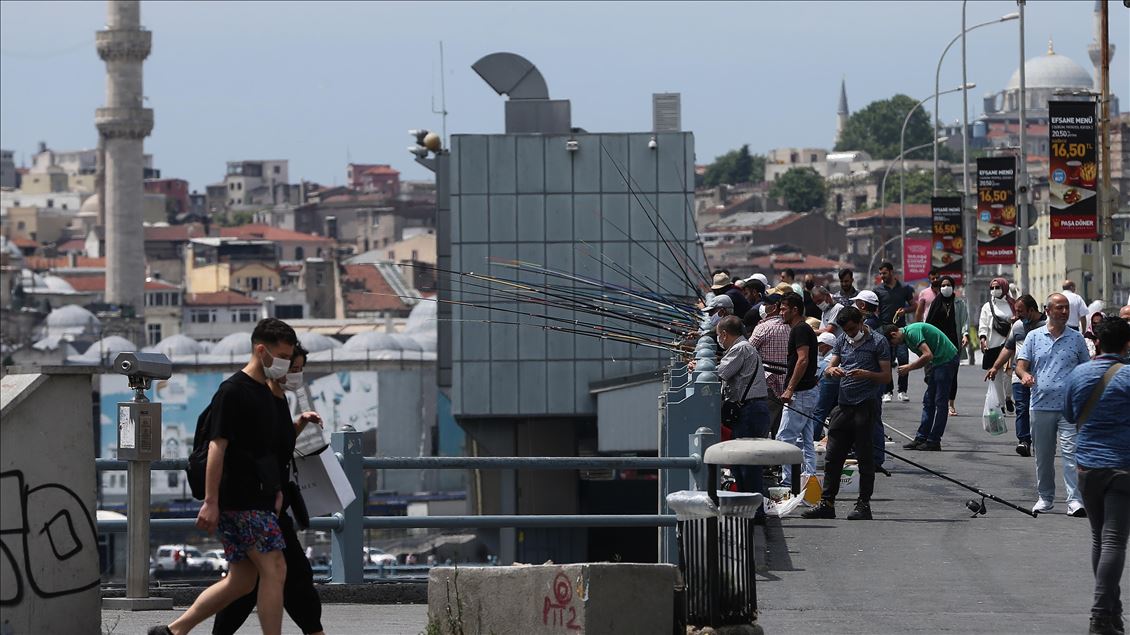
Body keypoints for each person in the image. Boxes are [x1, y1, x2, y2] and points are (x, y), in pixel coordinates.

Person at [150, 319, 319, 635]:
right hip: (239, 499)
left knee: (242, 581)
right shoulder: (233, 391)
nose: (285, 363)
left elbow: (270, 449)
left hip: (261, 499)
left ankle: (173, 631)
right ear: (261, 350)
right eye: (282, 355)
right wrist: (211, 502)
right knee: (276, 568)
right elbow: (217, 447)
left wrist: (279, 487)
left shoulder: (268, 394)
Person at [213, 343, 325, 635]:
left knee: (250, 583)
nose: (295, 373)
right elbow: (235, 448)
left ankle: (178, 630)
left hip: (270, 502)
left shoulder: (276, 399)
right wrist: (212, 501)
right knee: (289, 576)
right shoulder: (255, 396)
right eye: (291, 365)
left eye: (300, 368)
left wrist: (298, 424)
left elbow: (276, 447)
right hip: (257, 503)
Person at [1063, 317, 1130, 635]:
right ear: (1127, 345)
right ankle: (1100, 615)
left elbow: (1069, 413)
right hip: (1122, 467)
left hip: (1087, 467)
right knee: (1114, 540)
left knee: (1098, 538)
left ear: (1098, 344)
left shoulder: (1078, 374)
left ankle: (1113, 613)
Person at [801, 306, 892, 521]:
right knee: (833, 457)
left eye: (852, 328)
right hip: (843, 405)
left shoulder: (878, 342)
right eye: (847, 330)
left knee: (864, 457)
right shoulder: (842, 340)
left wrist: (866, 374)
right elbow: (830, 367)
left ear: (861, 321)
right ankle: (827, 503)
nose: (850, 333)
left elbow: (886, 376)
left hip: (865, 405)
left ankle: (863, 504)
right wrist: (832, 371)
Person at [1015, 293, 1092, 516]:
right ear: (1047, 310)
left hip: (1069, 407)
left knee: (1071, 454)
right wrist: (1025, 376)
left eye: (1067, 308)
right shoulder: (1034, 337)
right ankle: (1045, 498)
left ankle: (1075, 501)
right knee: (1044, 456)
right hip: (1040, 405)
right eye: (1060, 308)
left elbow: (1085, 369)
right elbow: (1020, 366)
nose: (1065, 312)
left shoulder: (1076, 338)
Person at [714, 315, 770, 500]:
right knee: (740, 463)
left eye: (718, 336)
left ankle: (755, 511)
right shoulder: (744, 347)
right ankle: (748, 507)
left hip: (749, 411)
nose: (719, 340)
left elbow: (722, 372)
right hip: (752, 409)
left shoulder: (740, 348)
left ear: (724, 333)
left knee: (747, 464)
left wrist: (699, 368)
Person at [882, 321, 959, 451]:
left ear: (894, 334)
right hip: (937, 362)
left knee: (940, 402)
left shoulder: (912, 332)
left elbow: (927, 355)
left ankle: (934, 440)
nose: (893, 346)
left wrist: (909, 367)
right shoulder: (907, 338)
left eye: (892, 343)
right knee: (928, 401)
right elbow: (926, 358)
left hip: (947, 360)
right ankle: (921, 438)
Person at [986, 295, 1046, 457]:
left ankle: (1042, 441)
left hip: (1042, 377)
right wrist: (995, 367)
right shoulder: (1018, 326)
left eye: (1020, 311)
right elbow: (1008, 348)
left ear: (1032, 310)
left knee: (1040, 411)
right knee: (1022, 408)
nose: (1017, 315)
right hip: (1019, 375)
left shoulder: (1047, 326)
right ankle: (1024, 441)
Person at [775, 293, 821, 485]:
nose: (780, 312)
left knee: (785, 437)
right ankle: (808, 478)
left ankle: (788, 482)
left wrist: (790, 389)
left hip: (800, 393)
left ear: (795, 310)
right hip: (807, 392)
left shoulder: (800, 330)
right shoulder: (803, 329)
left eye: (784, 309)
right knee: (806, 439)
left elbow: (803, 360)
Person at [873, 261, 915, 402]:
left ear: (891, 272)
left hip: (900, 330)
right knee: (886, 361)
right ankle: (887, 391)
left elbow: (914, 306)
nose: (882, 276)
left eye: (884, 273)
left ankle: (902, 390)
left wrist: (905, 311)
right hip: (884, 330)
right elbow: (874, 309)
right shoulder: (878, 290)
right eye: (880, 273)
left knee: (903, 359)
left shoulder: (905, 288)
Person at [925, 276, 966, 416]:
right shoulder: (936, 303)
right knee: (937, 374)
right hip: (937, 345)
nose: (945, 287)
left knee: (952, 375)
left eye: (948, 285)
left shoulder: (960, 303)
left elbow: (964, 321)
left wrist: (965, 335)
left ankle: (951, 404)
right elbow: (928, 323)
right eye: (943, 285)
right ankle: (937, 400)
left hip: (953, 344)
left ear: (953, 287)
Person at [751, 293, 790, 436]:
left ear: (773, 307)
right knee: (781, 431)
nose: (763, 307)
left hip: (768, 384)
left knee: (762, 429)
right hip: (787, 386)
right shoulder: (792, 327)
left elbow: (747, 350)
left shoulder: (763, 327)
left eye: (766, 304)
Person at [978, 277, 1015, 415]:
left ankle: (1008, 397)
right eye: (992, 288)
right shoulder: (987, 306)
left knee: (1008, 375)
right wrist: (983, 338)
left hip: (1009, 344)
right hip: (993, 344)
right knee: (996, 376)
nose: (994, 290)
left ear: (1004, 288)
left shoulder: (1013, 304)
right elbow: (983, 323)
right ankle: (1000, 404)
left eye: (997, 287)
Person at [811, 331, 840, 435]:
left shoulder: (828, 358)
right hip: (837, 379)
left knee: (819, 410)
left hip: (829, 378)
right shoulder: (835, 354)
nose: (817, 347)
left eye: (819, 344)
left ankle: (813, 437)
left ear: (826, 346)